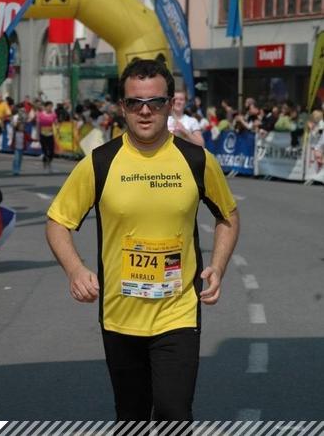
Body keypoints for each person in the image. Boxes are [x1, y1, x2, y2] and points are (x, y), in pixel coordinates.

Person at [46, 58, 239, 421]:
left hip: (178, 313)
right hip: (120, 315)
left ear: (170, 104)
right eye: (135, 102)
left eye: (155, 102)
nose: (145, 111)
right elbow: (58, 221)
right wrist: (75, 270)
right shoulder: (100, 163)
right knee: (131, 415)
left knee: (173, 412)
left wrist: (218, 266)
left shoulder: (197, 160)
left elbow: (228, 215)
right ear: (123, 107)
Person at [37, 101, 57, 171]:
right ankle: (45, 164)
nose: (50, 108)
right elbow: (38, 125)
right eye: (49, 106)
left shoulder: (53, 115)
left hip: (50, 134)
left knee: (51, 151)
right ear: (45, 107)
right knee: (45, 151)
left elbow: (56, 123)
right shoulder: (40, 114)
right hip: (42, 134)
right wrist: (37, 135)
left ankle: (49, 162)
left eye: (51, 106)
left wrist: (58, 130)